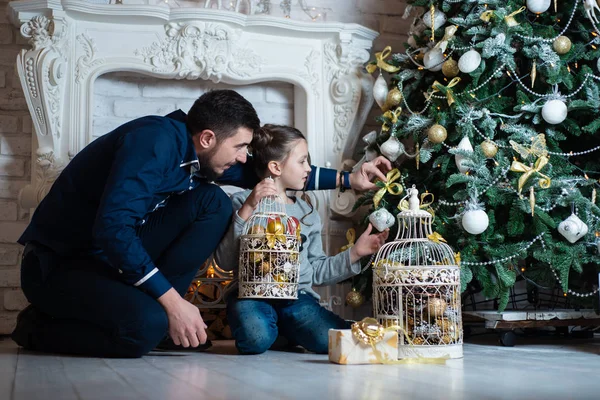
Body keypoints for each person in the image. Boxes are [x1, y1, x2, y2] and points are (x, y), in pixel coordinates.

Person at [11, 89, 391, 358]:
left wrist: (349, 180)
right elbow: (112, 230)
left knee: (211, 202)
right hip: (61, 265)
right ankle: (37, 326)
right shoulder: (154, 144)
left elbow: (272, 173)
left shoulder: (199, 158)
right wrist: (174, 303)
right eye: (241, 148)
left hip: (106, 262)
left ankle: (162, 320)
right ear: (208, 137)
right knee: (143, 329)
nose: (245, 158)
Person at [214, 124, 389, 355]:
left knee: (325, 340)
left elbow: (315, 271)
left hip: (297, 297)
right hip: (250, 296)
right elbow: (225, 262)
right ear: (275, 167)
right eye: (302, 161)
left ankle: (288, 328)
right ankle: (285, 331)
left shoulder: (306, 213)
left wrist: (355, 253)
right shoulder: (242, 202)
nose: (308, 169)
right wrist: (247, 209)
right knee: (254, 339)